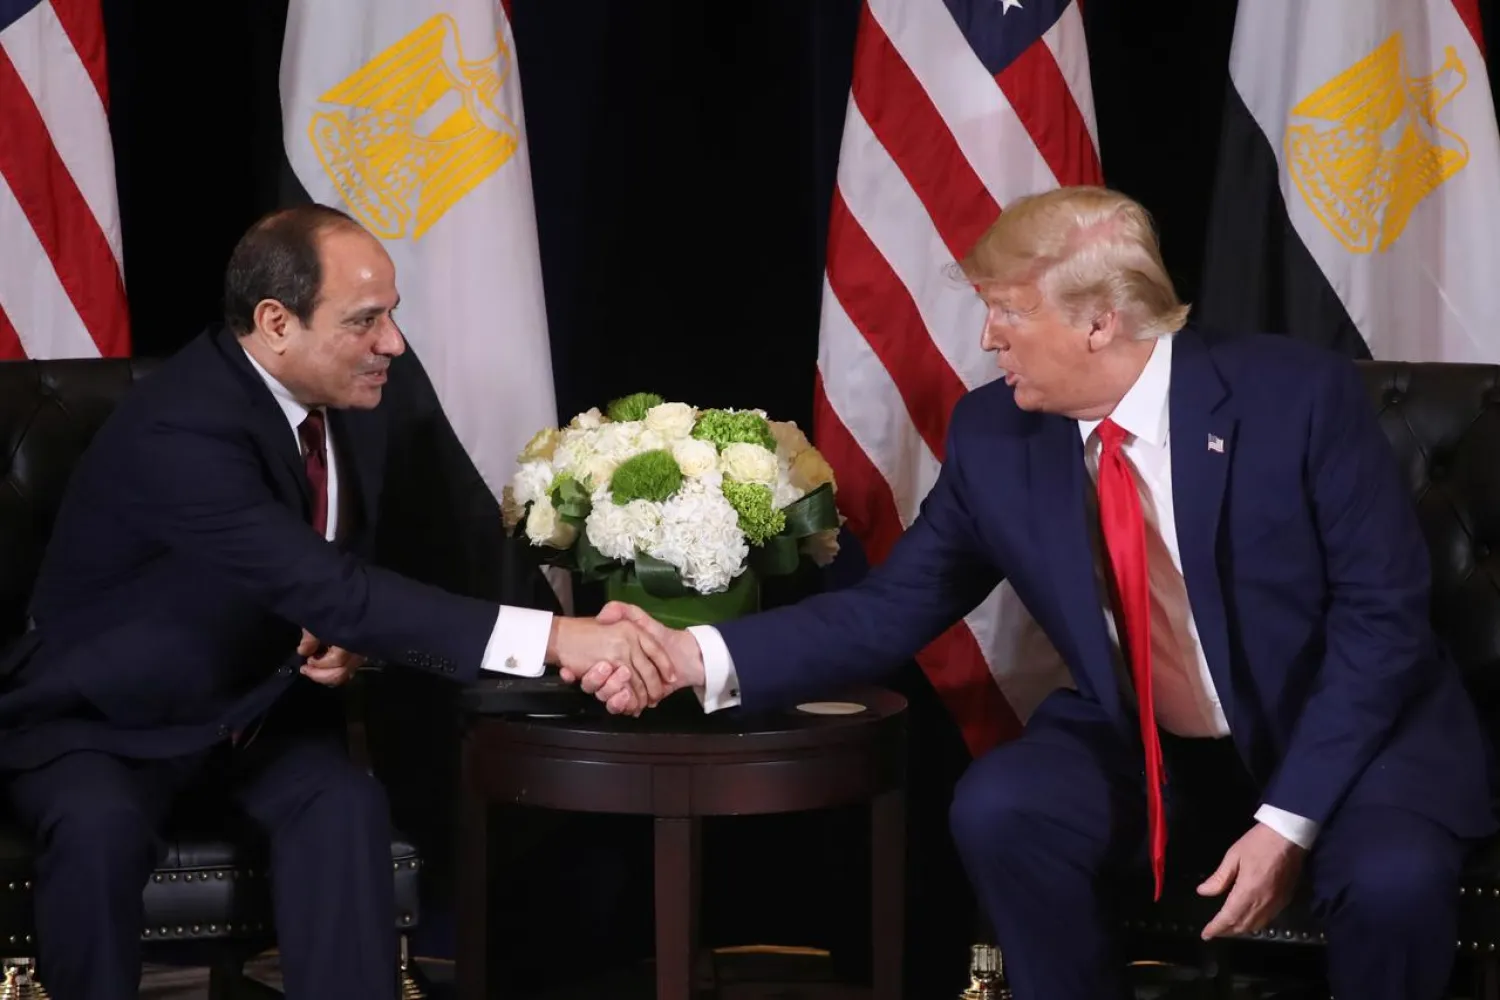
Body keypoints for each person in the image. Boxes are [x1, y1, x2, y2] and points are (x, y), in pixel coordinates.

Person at [572, 186, 1497, 1000]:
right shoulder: (997, 436)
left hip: (1349, 739)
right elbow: (889, 610)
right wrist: (691, 655)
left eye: (1008, 312)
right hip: (1149, 746)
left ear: (1100, 322)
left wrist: (1286, 822)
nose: (988, 339)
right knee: (1004, 806)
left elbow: (1382, 626)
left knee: (1394, 880)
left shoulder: (1296, 398)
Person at [0, 204, 674, 1000]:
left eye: (393, 314)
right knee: (98, 830)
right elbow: (332, 586)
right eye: (365, 320)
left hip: (256, 714)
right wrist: (559, 638)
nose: (393, 343)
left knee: (345, 808)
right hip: (106, 723)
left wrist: (343, 635)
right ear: (276, 323)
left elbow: (325, 585)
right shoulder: (181, 427)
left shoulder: (352, 399)